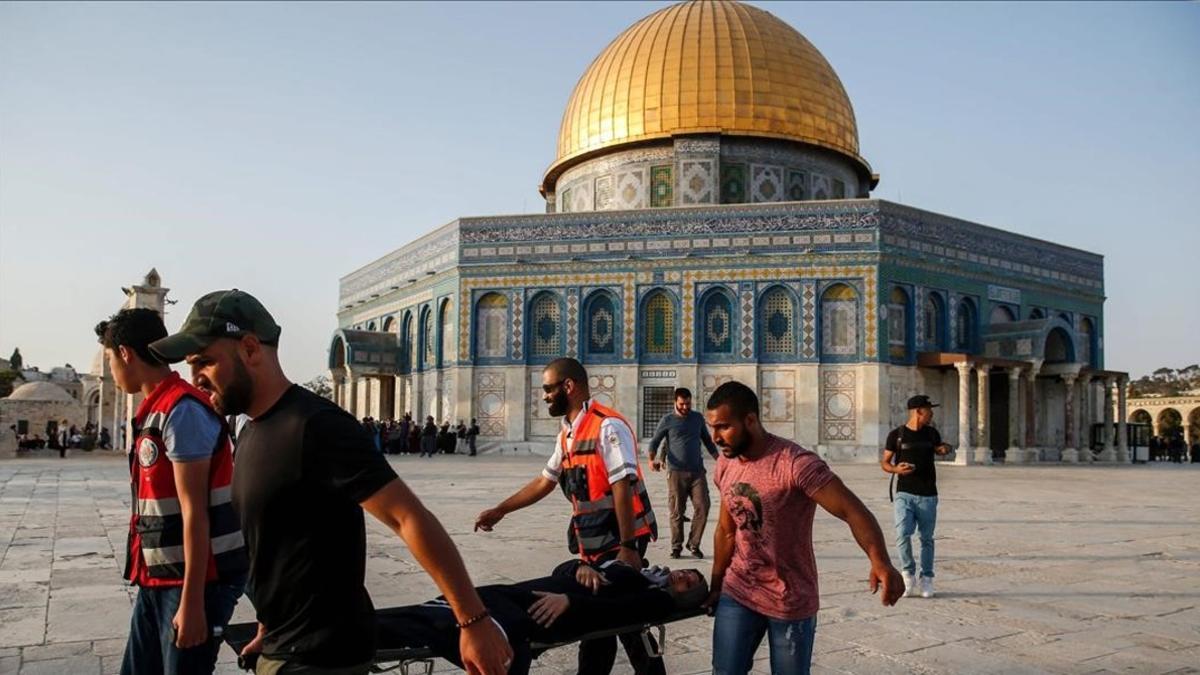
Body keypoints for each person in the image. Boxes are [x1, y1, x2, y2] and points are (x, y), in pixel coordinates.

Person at [149, 290, 511, 675]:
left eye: (204, 362)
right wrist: (268, 625)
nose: (195, 379)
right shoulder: (252, 430)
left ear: (251, 348)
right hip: (284, 647)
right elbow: (278, 544)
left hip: (322, 656)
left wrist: (473, 621)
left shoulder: (316, 425)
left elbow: (407, 517)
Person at [703, 381, 904, 675]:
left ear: (750, 420)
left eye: (723, 427)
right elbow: (727, 530)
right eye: (712, 428)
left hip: (789, 597)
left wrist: (880, 561)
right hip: (739, 591)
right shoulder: (726, 463)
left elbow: (852, 510)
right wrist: (717, 585)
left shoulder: (794, 464)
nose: (716, 437)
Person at [475, 357, 659, 675]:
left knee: (623, 621)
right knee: (604, 623)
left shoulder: (607, 425)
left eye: (548, 388)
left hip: (620, 541)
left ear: (568, 386)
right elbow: (545, 481)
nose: (544, 395)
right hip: (593, 542)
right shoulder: (568, 434)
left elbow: (622, 486)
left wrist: (629, 547)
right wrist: (501, 509)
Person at [95, 307, 249, 675]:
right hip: (159, 577)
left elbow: (195, 512)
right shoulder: (157, 409)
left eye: (110, 359)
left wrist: (192, 603)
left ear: (126, 354)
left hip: (194, 583)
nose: (112, 371)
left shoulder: (181, 411)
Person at [372, 559, 707, 675]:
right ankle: (357, 628)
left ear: (683, 597)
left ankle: (356, 633)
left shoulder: (655, 600)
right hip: (523, 593)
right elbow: (562, 567)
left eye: (690, 584)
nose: (683, 576)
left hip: (537, 611)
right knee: (442, 613)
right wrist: (580, 566)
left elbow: (618, 613)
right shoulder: (634, 572)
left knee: (475, 628)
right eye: (689, 572)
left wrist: (571, 604)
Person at [880, 395, 953, 600]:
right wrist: (896, 468)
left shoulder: (931, 433)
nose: (932, 413)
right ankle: (907, 574)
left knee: (926, 539)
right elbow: (885, 462)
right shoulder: (897, 435)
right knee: (902, 533)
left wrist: (943, 449)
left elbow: (939, 449)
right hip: (904, 493)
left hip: (928, 494)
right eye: (929, 410)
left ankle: (927, 577)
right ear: (918, 411)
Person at [647, 387, 719, 559]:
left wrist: (720, 460)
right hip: (676, 472)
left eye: (688, 404)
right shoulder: (668, 420)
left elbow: (708, 441)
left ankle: (694, 544)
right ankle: (676, 546)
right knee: (677, 511)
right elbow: (655, 442)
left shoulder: (697, 418)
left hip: (697, 472)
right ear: (675, 402)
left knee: (703, 506)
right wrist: (651, 460)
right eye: (682, 404)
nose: (685, 407)